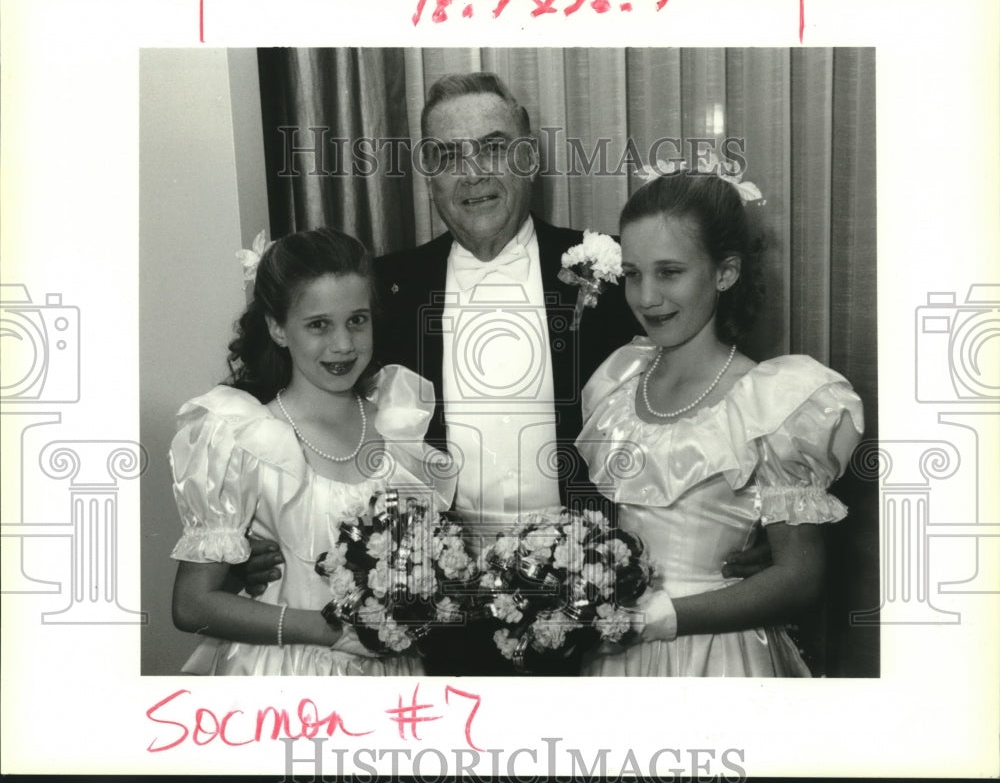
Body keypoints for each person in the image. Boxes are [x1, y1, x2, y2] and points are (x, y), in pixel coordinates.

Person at [241, 72, 771, 674]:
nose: (473, 173)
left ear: (528, 156)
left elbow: (715, 392)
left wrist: (751, 519)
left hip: (589, 607)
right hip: (425, 610)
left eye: (493, 147)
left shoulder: (617, 270)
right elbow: (285, 395)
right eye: (447, 156)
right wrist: (242, 536)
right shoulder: (382, 288)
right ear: (427, 174)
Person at [576, 169, 864, 676]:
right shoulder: (616, 382)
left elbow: (800, 578)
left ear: (724, 273)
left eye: (670, 272)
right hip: (617, 661)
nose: (646, 297)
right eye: (634, 274)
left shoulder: (773, 403)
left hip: (717, 657)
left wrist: (665, 618)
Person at [169, 227, 453, 675]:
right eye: (319, 324)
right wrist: (333, 630)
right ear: (278, 328)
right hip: (286, 678)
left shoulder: (400, 425)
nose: (343, 344)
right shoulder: (243, 437)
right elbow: (192, 605)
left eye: (357, 320)